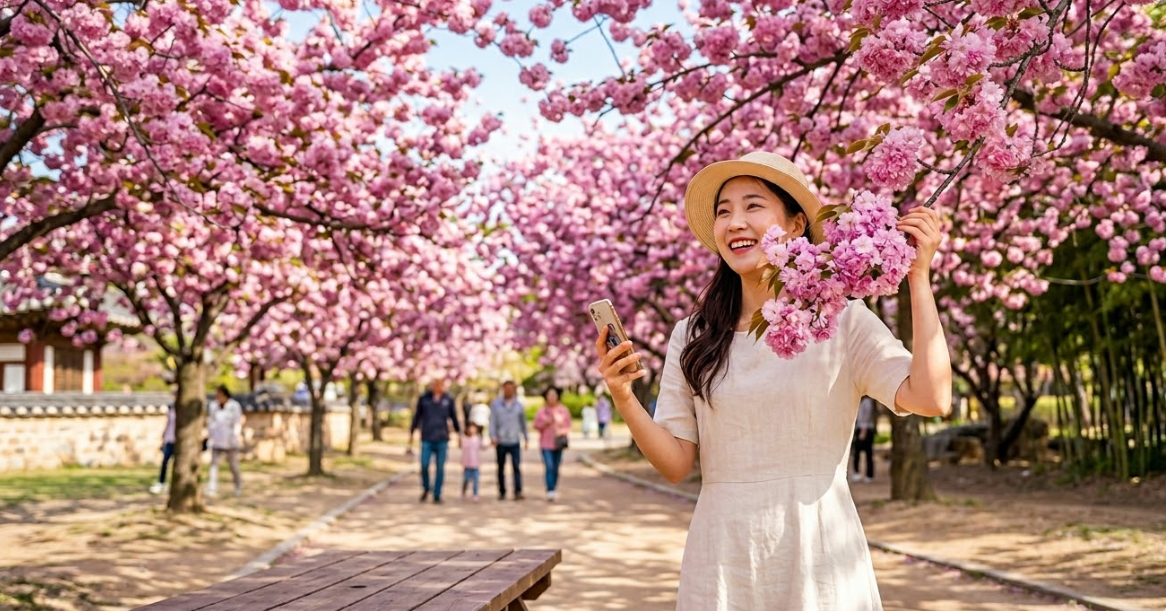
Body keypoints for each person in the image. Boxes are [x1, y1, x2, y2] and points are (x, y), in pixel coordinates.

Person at [594, 151, 951, 610]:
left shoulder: (842, 321)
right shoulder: (693, 335)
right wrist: (622, 396)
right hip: (722, 555)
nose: (735, 222)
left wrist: (918, 277)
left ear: (797, 224)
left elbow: (932, 397)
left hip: (818, 549)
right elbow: (677, 464)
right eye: (724, 211)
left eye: (752, 206)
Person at [409, 378, 460, 504]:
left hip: (442, 437)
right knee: (424, 464)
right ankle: (426, 487)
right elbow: (417, 416)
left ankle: (437, 493)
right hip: (427, 437)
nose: (437, 387)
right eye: (435, 384)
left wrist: (459, 434)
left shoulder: (448, 399)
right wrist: (412, 431)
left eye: (440, 384)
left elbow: (453, 417)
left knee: (440, 467)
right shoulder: (424, 399)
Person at [489, 380, 528, 501]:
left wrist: (526, 438)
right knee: (500, 467)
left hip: (514, 440)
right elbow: (492, 422)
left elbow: (523, 423)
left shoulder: (519, 405)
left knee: (516, 466)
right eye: (507, 388)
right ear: (503, 389)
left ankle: (518, 491)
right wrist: (493, 436)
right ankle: (502, 492)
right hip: (501, 440)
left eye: (511, 388)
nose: (509, 391)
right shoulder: (496, 404)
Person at [533, 386, 572, 501]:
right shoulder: (542, 411)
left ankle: (554, 487)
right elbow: (536, 425)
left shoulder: (563, 410)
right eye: (549, 395)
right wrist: (544, 423)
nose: (551, 397)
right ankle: (550, 490)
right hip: (545, 444)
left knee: (556, 467)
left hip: (558, 443)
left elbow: (568, 425)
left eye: (554, 395)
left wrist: (562, 431)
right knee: (549, 466)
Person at [206, 385, 244, 497]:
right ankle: (212, 488)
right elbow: (211, 422)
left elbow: (237, 423)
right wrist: (210, 436)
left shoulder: (234, 406)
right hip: (217, 439)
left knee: (233, 465)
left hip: (230, 440)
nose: (218, 397)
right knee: (214, 465)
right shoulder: (213, 406)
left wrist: (236, 436)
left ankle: (238, 487)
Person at [149, 401, 176, 495]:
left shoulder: (185, 410)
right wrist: (164, 437)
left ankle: (174, 484)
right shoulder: (171, 408)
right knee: (165, 461)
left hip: (179, 440)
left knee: (177, 464)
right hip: (169, 439)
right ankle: (161, 482)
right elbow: (168, 424)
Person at [851, 396, 878, 483]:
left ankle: (868, 475)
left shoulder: (867, 402)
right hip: (862, 429)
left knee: (866, 453)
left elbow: (866, 417)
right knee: (861, 453)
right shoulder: (862, 401)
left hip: (865, 430)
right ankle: (859, 473)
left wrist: (863, 431)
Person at [461, 422, 486, 501]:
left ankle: (475, 494)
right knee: (466, 479)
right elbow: (462, 446)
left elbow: (483, 446)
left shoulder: (478, 438)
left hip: (475, 464)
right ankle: (464, 491)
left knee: (476, 480)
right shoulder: (465, 439)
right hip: (467, 464)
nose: (472, 429)